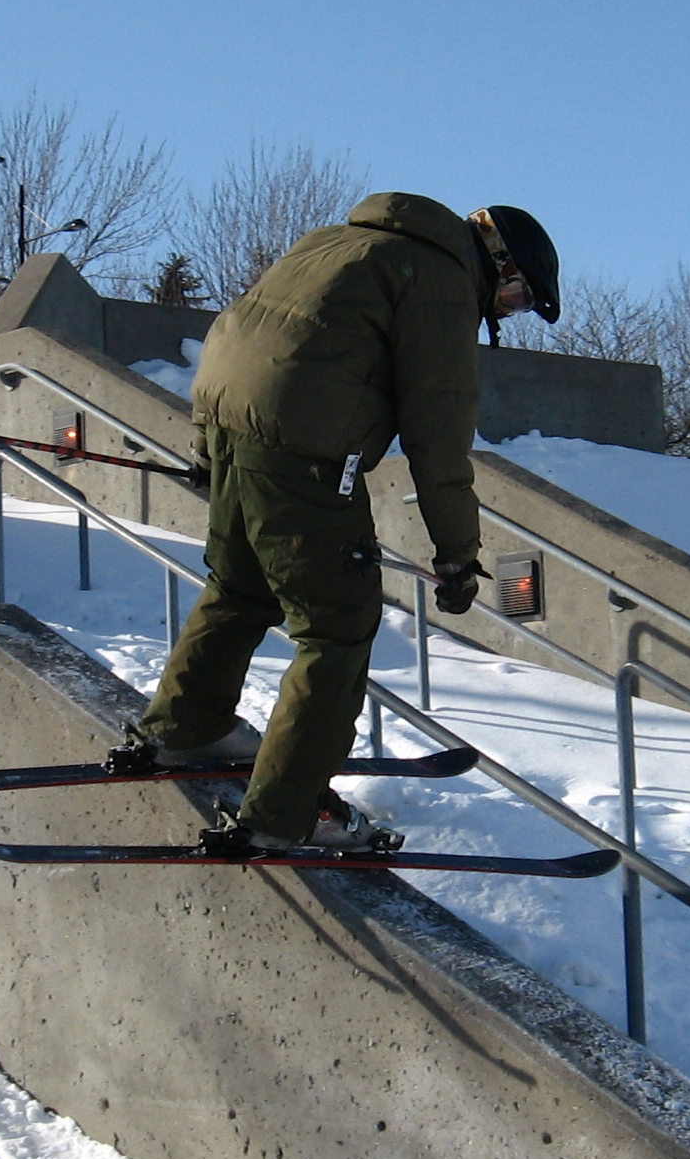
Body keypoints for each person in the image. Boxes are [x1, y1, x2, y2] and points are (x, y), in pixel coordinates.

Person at [131, 193, 561, 850]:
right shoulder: (441, 279)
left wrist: (206, 448)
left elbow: (237, 332)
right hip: (304, 455)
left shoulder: (335, 241)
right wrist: (456, 553)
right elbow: (438, 431)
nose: (506, 312)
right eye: (518, 299)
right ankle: (288, 810)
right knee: (338, 628)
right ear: (502, 265)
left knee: (241, 588)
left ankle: (184, 727)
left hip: (228, 431)